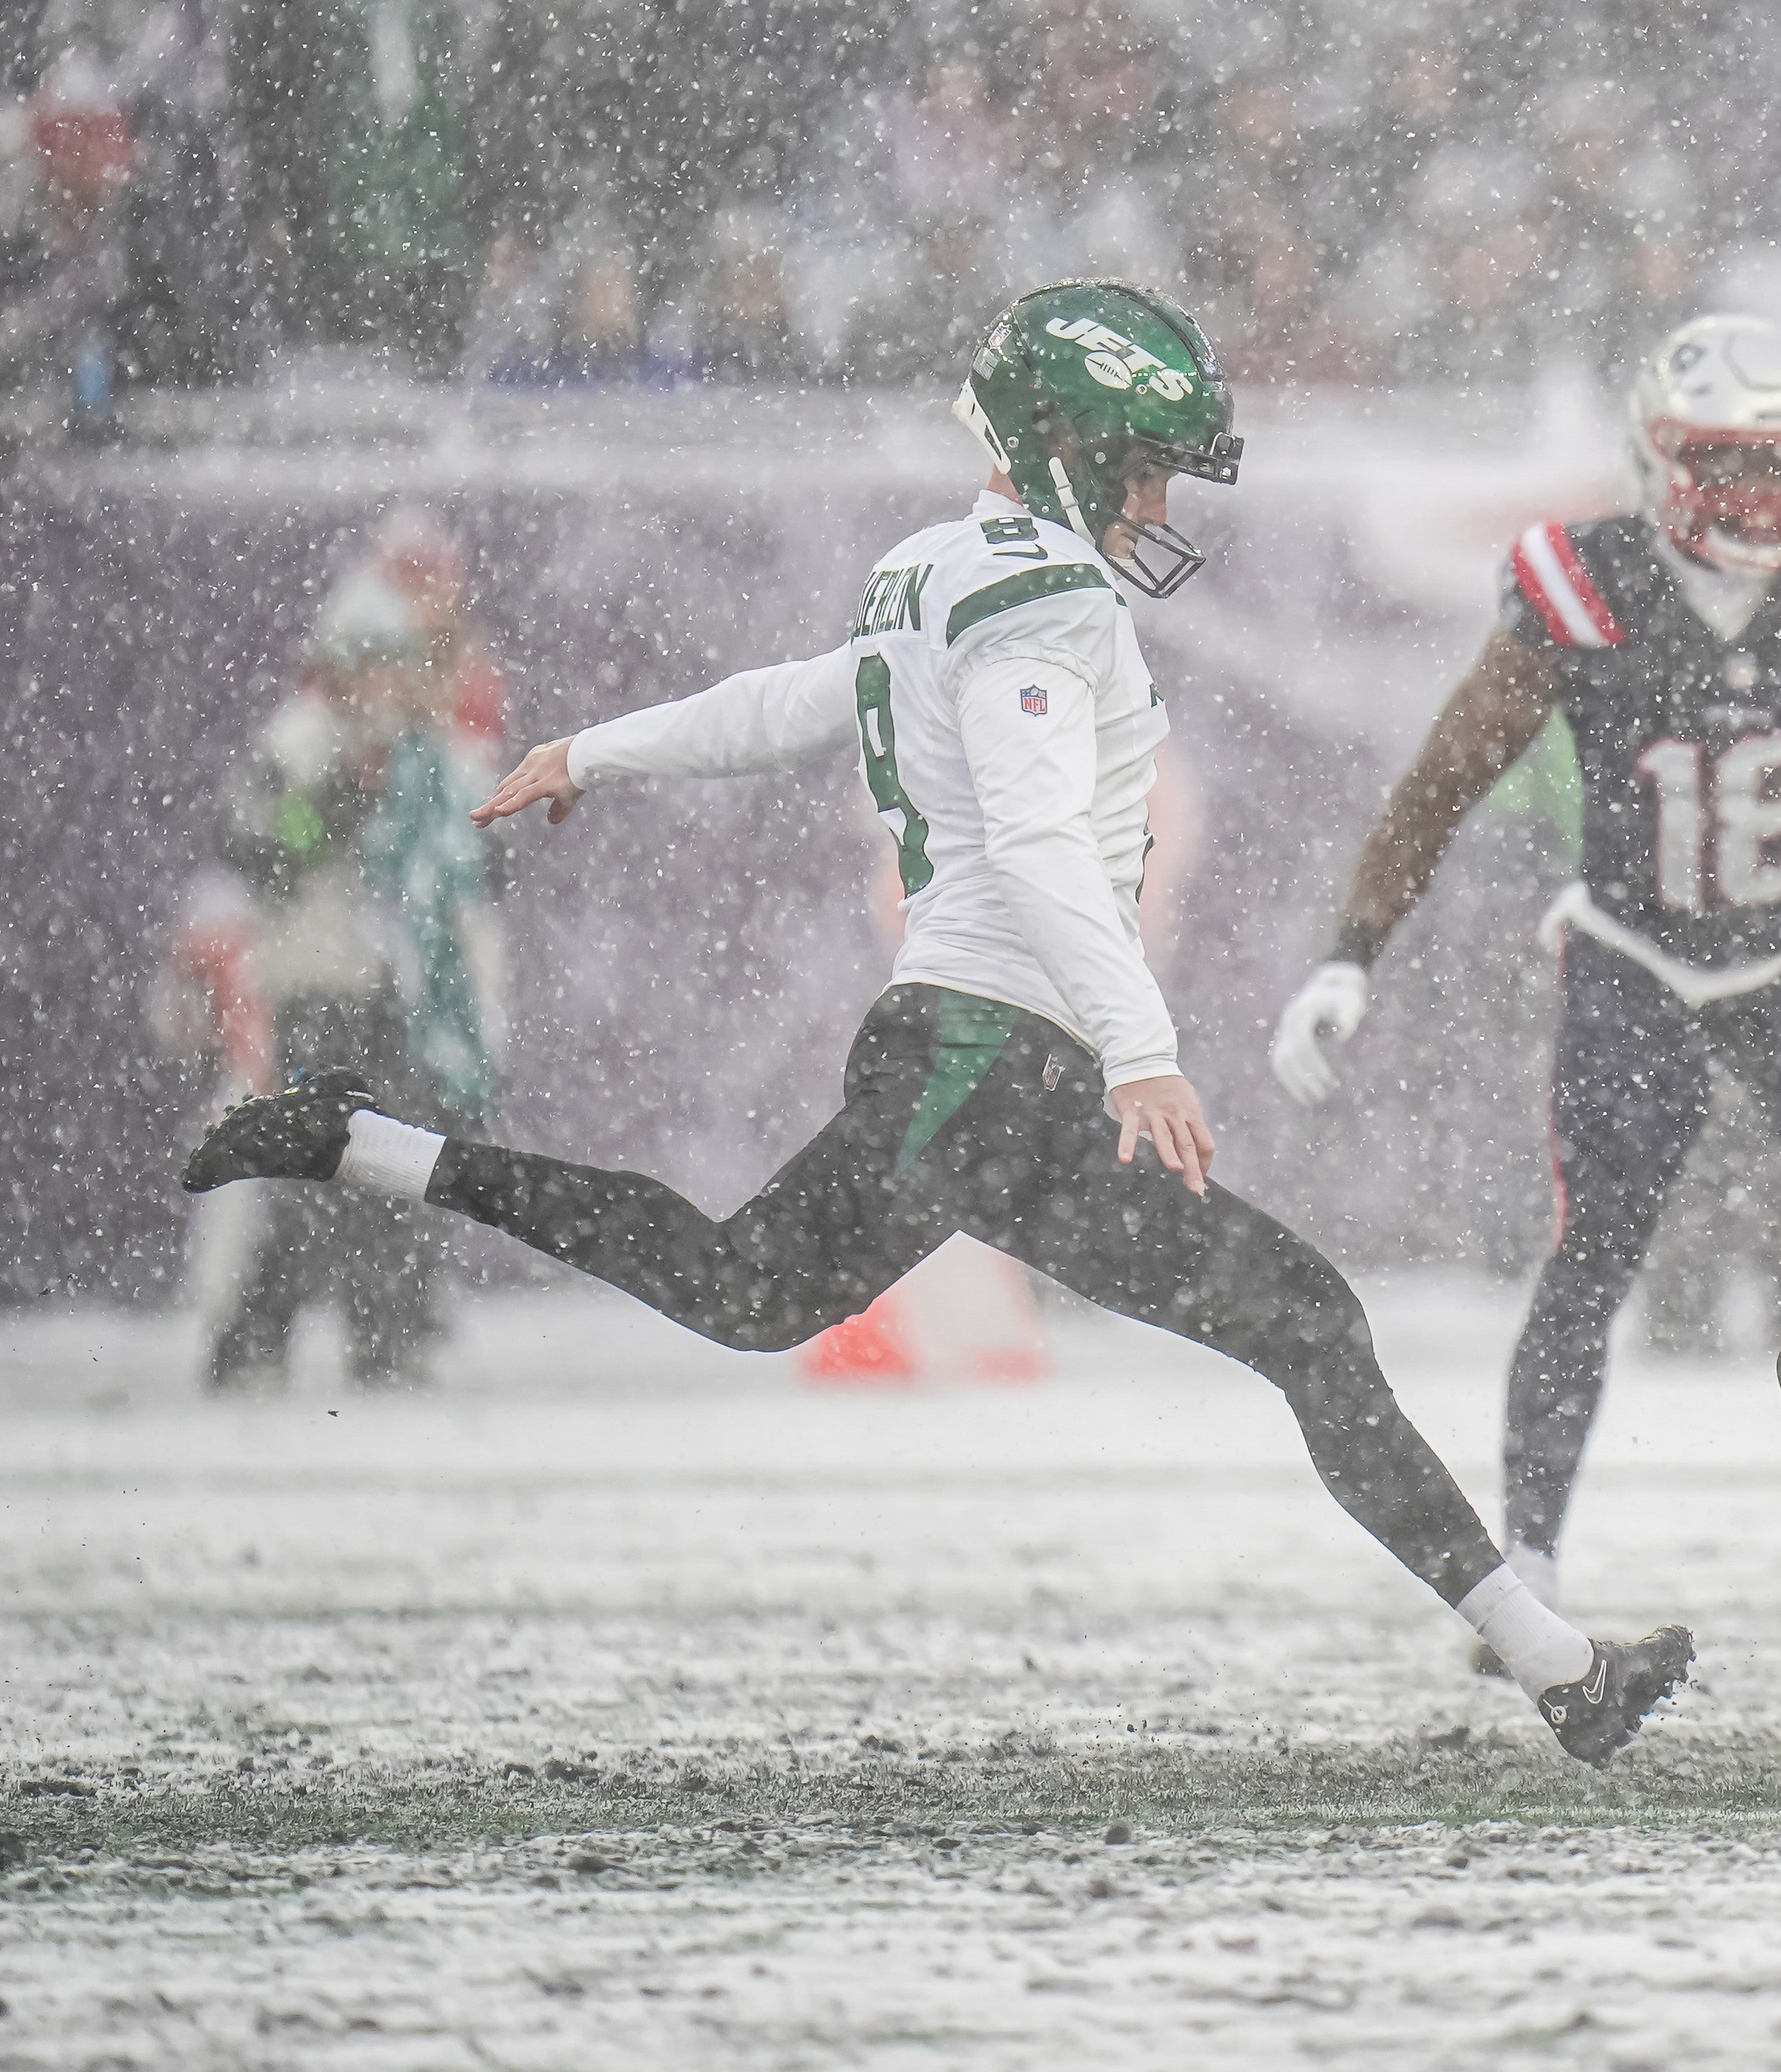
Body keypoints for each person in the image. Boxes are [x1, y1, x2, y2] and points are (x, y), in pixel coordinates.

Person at [178, 283, 1690, 1765]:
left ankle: (360, 1139)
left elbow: (792, 697)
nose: (1160, 495)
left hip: (979, 1060)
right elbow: (1033, 840)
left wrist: (598, 747)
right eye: (1145, 460)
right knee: (1285, 1320)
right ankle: (1561, 1670)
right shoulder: (1043, 601)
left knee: (753, 1285)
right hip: (983, 1055)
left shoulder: (942, 568)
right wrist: (1144, 1044)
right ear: (1070, 444)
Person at [1272, 313, 1781, 1621]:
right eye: (1733, 462)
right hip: (1636, 959)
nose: (1765, 496)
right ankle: (1533, 1563)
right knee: (1592, 1254)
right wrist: (1350, 955)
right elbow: (1446, 780)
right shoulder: (1586, 583)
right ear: (1656, 461)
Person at [194, 569, 499, 1390]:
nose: (381, 684)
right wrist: (327, 810)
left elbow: (472, 863)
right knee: (309, 1177)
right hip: (313, 984)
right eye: (366, 665)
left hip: (387, 992)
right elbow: (254, 845)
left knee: (396, 1170)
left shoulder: (427, 758)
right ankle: (255, 1339)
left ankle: (388, 1333)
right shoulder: (297, 741)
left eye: (392, 665)